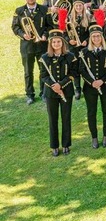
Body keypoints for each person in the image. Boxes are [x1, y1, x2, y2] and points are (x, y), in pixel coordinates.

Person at [39, 28, 77, 156]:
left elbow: (73, 74)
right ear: (50, 43)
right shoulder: (44, 58)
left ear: (63, 42)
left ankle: (66, 144)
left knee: (66, 118)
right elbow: (43, 76)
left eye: (58, 42)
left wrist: (60, 85)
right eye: (54, 42)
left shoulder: (70, 56)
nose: (56, 44)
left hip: (66, 91)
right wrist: (53, 86)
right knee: (52, 119)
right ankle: (54, 146)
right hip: (50, 93)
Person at [79, 24, 106, 148]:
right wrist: (92, 82)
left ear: (102, 37)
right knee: (91, 112)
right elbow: (82, 70)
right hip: (90, 88)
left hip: (105, 87)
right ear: (90, 38)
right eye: (93, 36)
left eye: (98, 36)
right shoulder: (84, 52)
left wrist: (102, 81)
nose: (96, 38)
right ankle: (94, 137)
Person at [12, 0, 51, 105]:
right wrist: (23, 35)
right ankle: (30, 95)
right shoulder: (19, 11)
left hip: (42, 45)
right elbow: (15, 27)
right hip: (27, 46)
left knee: (43, 70)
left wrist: (45, 35)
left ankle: (43, 93)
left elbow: (49, 26)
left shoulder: (44, 9)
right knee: (28, 71)